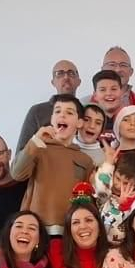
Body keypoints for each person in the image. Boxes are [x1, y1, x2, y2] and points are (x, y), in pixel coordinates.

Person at [11, 94, 97, 235]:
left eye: (69, 112)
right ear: (51, 119)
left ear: (80, 123)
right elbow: (17, 174)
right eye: (57, 111)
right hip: (37, 230)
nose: (62, 115)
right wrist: (36, 140)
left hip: (70, 232)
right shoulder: (38, 149)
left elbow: (87, 200)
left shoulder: (85, 160)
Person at [15, 59, 80, 151]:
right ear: (53, 82)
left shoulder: (86, 112)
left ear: (78, 81)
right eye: (59, 73)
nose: (66, 77)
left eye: (71, 73)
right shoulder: (37, 111)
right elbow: (21, 152)